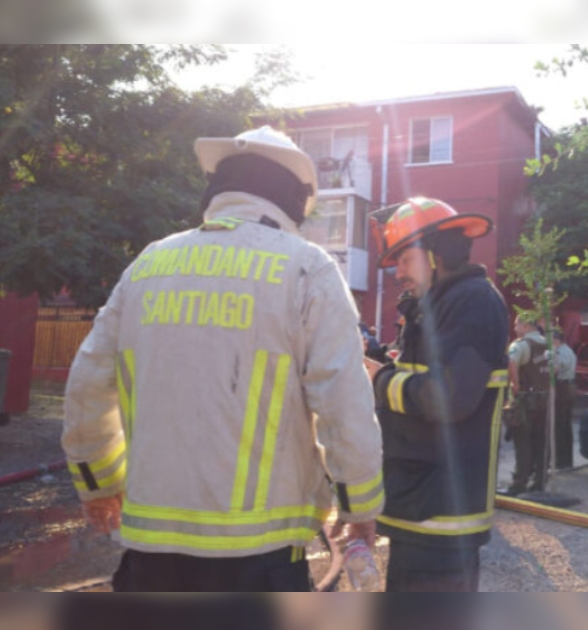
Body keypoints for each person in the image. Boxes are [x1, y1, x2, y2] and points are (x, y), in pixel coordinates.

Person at [61, 127, 384, 592]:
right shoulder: (306, 268)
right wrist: (360, 508)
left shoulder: (147, 266)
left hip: (150, 557)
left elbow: (88, 385)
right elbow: (344, 403)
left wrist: (98, 484)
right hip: (259, 558)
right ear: (295, 199)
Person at [370, 196, 510, 592]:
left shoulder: (472, 301)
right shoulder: (439, 304)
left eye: (405, 259)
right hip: (421, 503)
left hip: (441, 513)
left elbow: (449, 398)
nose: (398, 273)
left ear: (435, 254)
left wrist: (380, 381)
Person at [504, 317, 550, 496]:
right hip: (544, 399)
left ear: (525, 325)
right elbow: (557, 369)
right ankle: (540, 481)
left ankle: (519, 483)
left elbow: (511, 363)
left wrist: (514, 384)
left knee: (522, 442)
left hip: (525, 400)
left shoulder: (521, 344)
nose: (515, 328)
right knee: (540, 441)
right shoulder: (549, 345)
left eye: (516, 324)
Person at [551, 330, 578, 470]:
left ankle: (561, 461)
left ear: (556, 340)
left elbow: (555, 369)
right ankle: (566, 460)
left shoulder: (561, 352)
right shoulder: (568, 350)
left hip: (562, 388)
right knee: (565, 424)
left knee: (560, 425)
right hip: (568, 386)